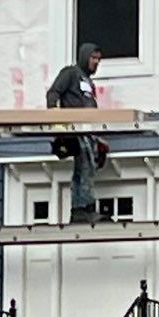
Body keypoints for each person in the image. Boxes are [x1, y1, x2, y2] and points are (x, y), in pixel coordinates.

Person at [45, 43, 108, 222]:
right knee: (83, 167)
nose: (96, 62)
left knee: (89, 167)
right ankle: (80, 208)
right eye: (93, 58)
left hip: (88, 131)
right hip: (75, 129)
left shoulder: (89, 83)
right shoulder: (70, 73)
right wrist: (56, 121)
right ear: (84, 56)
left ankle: (87, 206)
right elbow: (53, 93)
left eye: (98, 59)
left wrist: (100, 139)